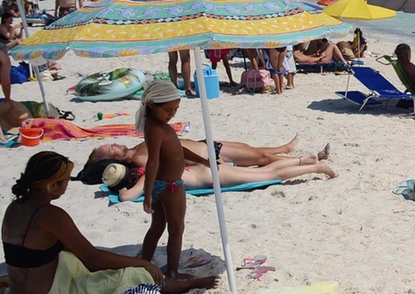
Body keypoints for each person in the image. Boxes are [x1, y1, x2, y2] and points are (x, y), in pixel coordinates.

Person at [3, 152, 213, 294]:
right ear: (53, 185)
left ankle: (171, 280)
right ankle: (186, 284)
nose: (68, 185)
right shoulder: (50, 215)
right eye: (66, 180)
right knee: (136, 275)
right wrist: (142, 263)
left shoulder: (15, 207)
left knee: (73, 257)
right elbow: (93, 259)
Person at [103, 155, 336, 202]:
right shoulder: (151, 166)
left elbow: (126, 197)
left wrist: (120, 189)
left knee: (270, 175)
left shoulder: (146, 177)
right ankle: (303, 161)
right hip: (210, 170)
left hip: (214, 177)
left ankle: (316, 168)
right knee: (262, 172)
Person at [135, 81, 189, 275]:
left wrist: (205, 160)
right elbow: (153, 161)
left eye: (175, 110)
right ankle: (173, 272)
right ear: (152, 105)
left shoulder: (156, 125)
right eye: (168, 110)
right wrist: (147, 193)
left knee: (157, 227)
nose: (172, 114)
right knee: (176, 230)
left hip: (161, 185)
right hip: (170, 186)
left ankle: (143, 265)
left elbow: (178, 150)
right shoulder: (157, 128)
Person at [89, 135, 326, 169]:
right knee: (260, 159)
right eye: (110, 149)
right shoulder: (140, 157)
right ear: (110, 159)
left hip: (206, 145)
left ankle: (284, 148)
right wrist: (204, 163)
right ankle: (303, 160)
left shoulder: (137, 146)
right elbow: (175, 163)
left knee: (250, 150)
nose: (115, 144)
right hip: (210, 154)